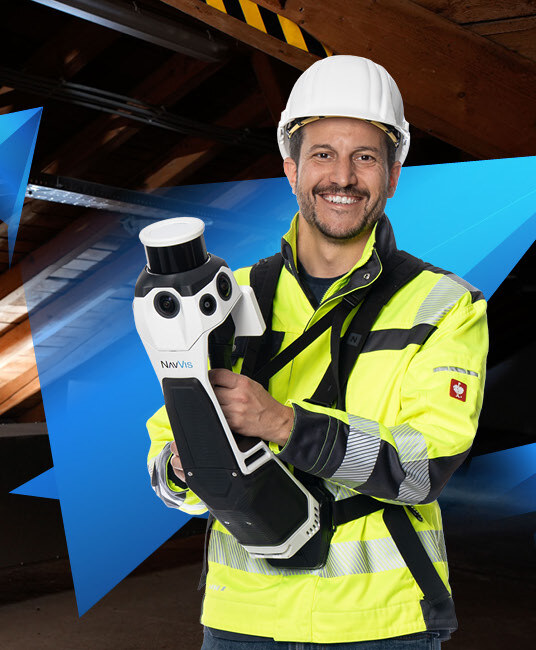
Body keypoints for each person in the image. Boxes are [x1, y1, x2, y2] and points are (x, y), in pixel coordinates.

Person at [145, 55, 488, 649]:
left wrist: (283, 423)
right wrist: (184, 465)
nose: (343, 177)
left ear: (393, 175)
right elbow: (163, 452)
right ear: (292, 169)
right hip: (243, 619)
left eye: (365, 158)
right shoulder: (228, 297)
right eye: (324, 154)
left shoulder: (444, 305)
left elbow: (423, 469)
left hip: (382, 623)